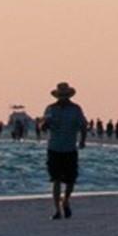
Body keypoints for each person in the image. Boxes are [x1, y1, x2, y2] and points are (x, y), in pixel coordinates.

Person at [40, 81, 87, 220]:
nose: (62, 98)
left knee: (71, 180)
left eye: (65, 95)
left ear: (68, 96)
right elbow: (42, 125)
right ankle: (57, 210)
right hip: (54, 148)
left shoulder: (75, 109)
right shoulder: (50, 109)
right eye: (61, 95)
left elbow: (83, 126)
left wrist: (82, 140)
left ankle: (65, 200)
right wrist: (44, 124)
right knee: (56, 179)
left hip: (70, 148)